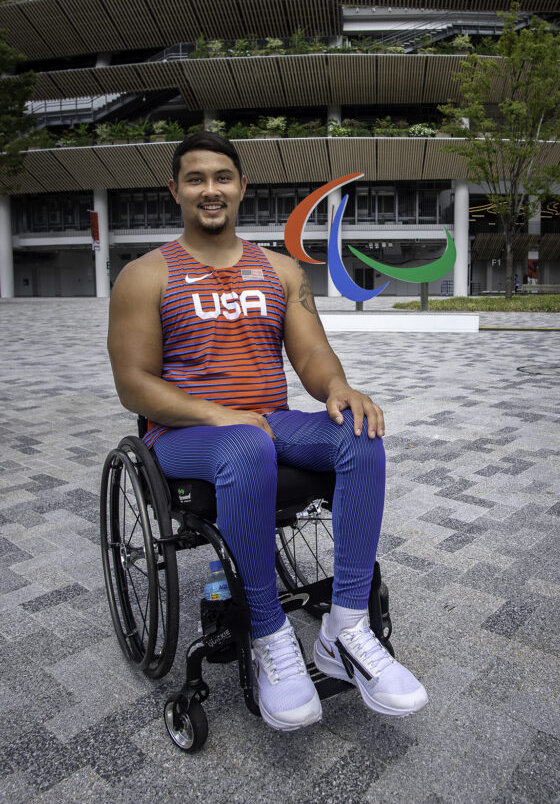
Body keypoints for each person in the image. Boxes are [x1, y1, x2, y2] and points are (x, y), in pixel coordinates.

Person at [107, 131, 427, 731]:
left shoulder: (279, 270)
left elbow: (312, 358)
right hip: (185, 434)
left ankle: (346, 628)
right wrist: (217, 415)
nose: (211, 189)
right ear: (175, 190)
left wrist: (338, 389)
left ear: (241, 187)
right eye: (196, 179)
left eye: (222, 177)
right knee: (247, 441)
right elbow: (134, 384)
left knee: (359, 434)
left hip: (264, 423)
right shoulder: (145, 275)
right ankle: (269, 633)